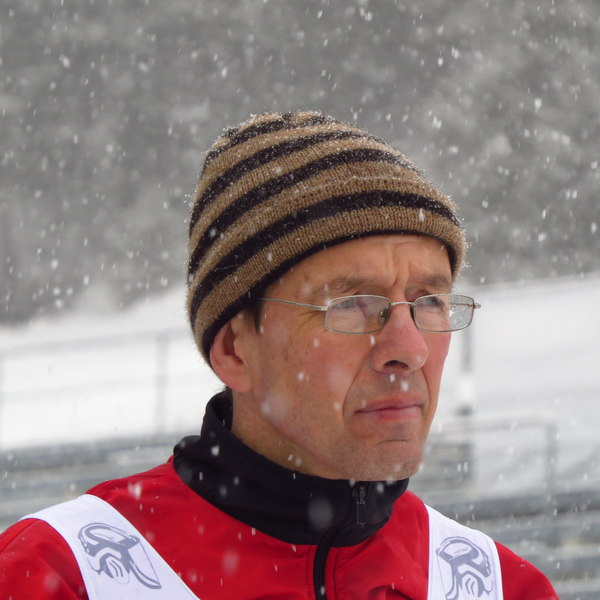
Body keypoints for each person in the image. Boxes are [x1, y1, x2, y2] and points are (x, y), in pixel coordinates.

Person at [0, 111, 558, 599]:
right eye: (351, 305)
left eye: (429, 301)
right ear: (234, 351)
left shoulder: (497, 586)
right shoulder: (64, 575)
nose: (408, 350)